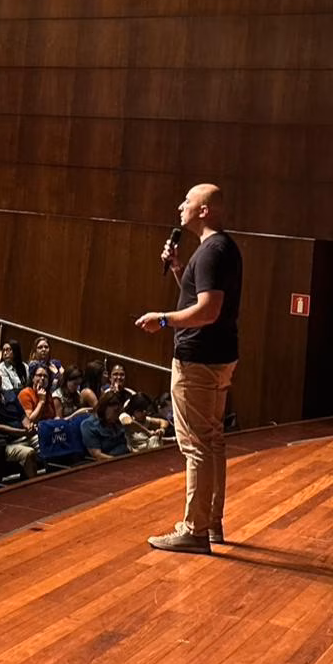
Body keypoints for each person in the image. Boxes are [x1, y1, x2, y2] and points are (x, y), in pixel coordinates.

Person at [136, 183, 243, 553]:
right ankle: (211, 524)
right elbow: (200, 300)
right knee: (212, 441)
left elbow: (208, 312)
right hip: (218, 356)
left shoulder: (211, 251)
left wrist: (163, 319)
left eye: (187, 200)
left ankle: (194, 530)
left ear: (204, 210)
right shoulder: (221, 249)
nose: (180, 205)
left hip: (198, 360)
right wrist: (179, 269)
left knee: (196, 445)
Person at [0, 365, 38, 477]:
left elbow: (22, 415)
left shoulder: (9, 394)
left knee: (45, 439)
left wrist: (28, 427)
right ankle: (34, 484)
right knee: (28, 453)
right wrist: (22, 432)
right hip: (5, 444)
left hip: (24, 436)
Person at [80, 392, 129, 462]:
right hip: (111, 462)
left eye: (119, 412)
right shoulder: (89, 425)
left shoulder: (117, 422)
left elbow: (127, 445)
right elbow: (98, 455)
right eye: (115, 411)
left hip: (126, 457)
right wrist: (121, 461)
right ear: (104, 408)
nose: (117, 415)